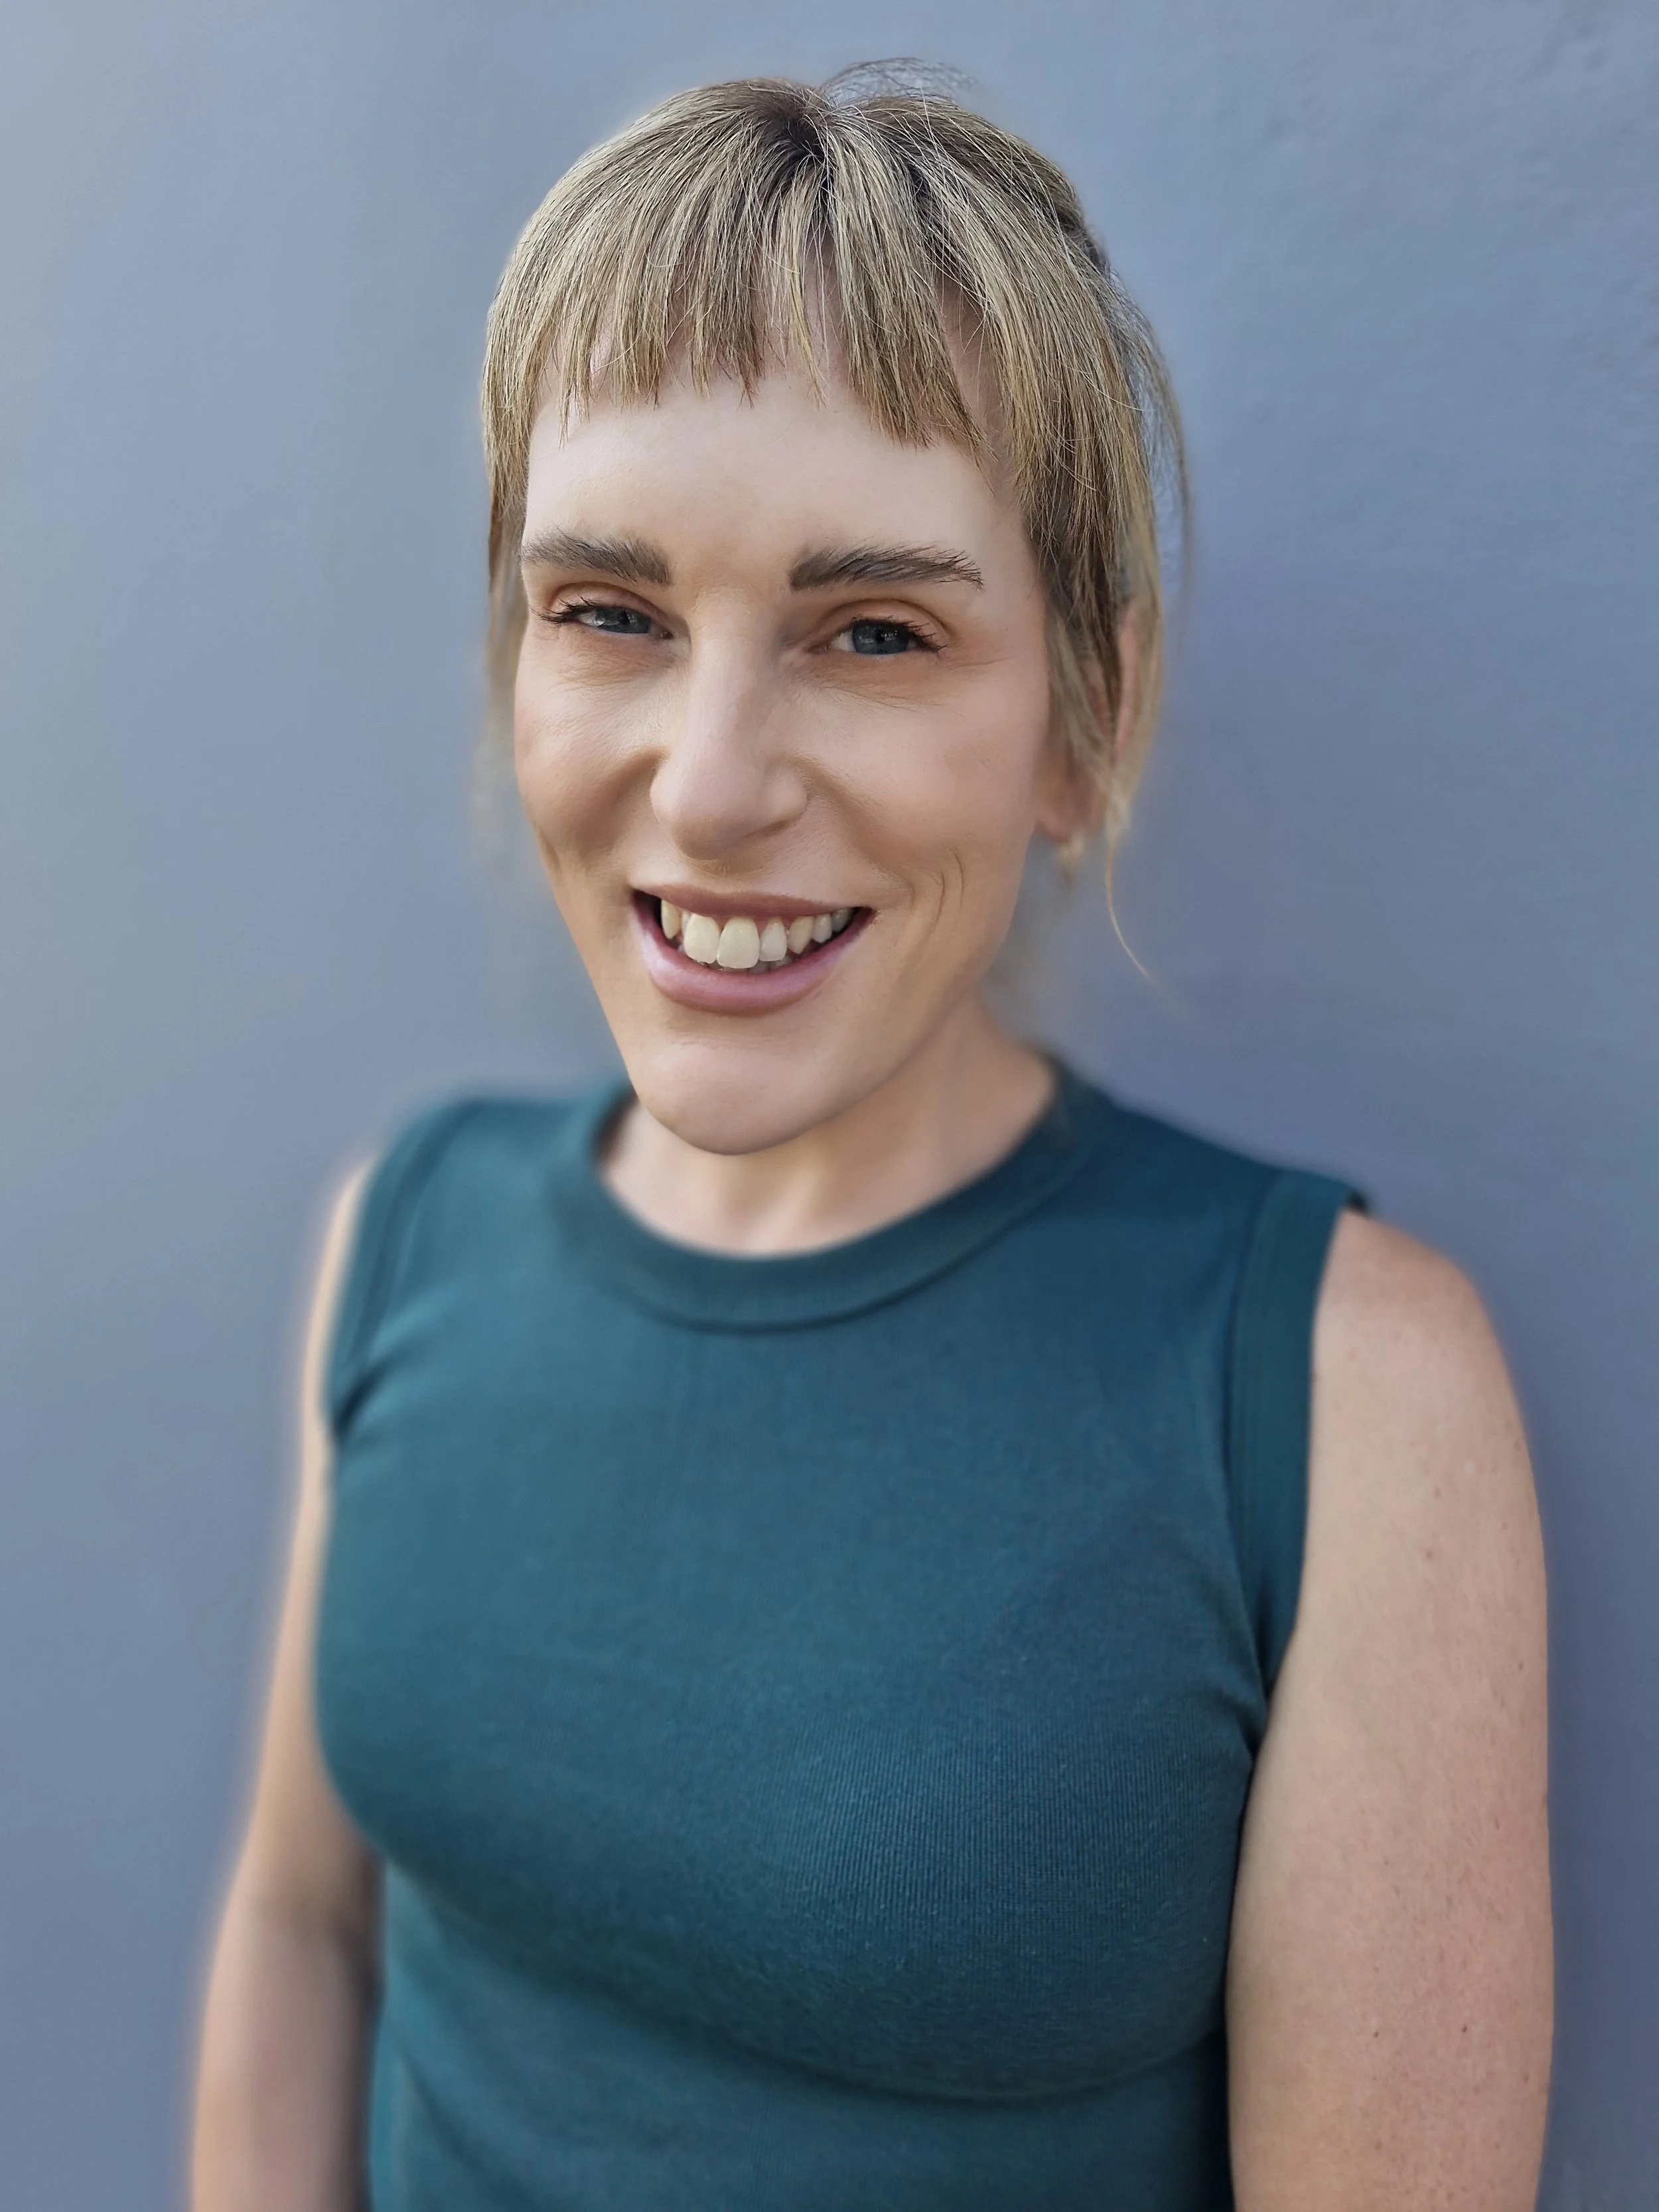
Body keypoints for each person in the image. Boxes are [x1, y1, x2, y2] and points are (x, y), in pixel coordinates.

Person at [191, 71, 1552, 2211]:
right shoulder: (407, 1236)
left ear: (1087, 720)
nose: (709, 783)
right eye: (611, 610)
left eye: (876, 632)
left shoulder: (1337, 1391)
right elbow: (302, 1929)